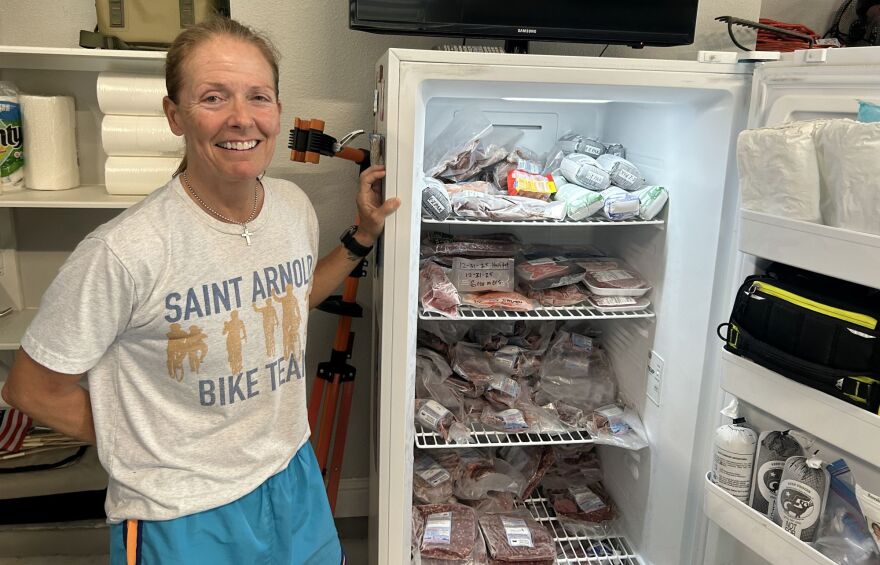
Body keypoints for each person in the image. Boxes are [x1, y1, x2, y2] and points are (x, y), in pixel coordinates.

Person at [1, 16, 399, 565]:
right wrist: (148, 444)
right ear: (175, 116)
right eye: (214, 97)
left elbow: (287, 299)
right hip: (184, 511)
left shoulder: (291, 209)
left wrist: (362, 237)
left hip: (291, 474)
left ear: (277, 111)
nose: (242, 118)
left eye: (258, 96)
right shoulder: (124, 251)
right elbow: (31, 390)